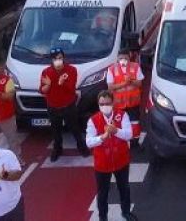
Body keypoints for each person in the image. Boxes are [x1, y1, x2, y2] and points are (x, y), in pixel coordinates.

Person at [86, 91, 137, 221]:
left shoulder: (122, 115)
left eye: (107, 103)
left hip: (121, 160)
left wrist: (115, 131)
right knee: (102, 193)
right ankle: (103, 217)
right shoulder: (93, 120)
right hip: (102, 164)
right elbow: (89, 142)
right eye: (101, 104)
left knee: (124, 188)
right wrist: (102, 137)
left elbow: (129, 134)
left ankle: (126, 212)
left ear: (112, 103)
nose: (104, 106)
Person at [40, 47, 89, 161]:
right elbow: (42, 90)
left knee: (75, 128)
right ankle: (57, 149)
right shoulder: (46, 72)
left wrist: (62, 83)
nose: (57, 60)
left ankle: (81, 147)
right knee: (56, 130)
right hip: (53, 106)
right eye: (55, 59)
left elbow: (72, 88)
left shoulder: (71, 70)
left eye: (60, 58)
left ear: (63, 58)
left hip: (68, 106)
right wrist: (47, 86)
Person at [106, 48, 144, 148]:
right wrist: (124, 83)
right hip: (119, 104)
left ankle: (135, 144)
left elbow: (140, 83)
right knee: (119, 124)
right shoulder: (112, 69)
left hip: (133, 102)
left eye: (125, 58)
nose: (123, 60)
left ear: (129, 56)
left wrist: (131, 81)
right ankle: (120, 143)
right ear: (118, 58)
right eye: (121, 58)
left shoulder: (136, 66)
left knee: (135, 124)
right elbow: (110, 88)